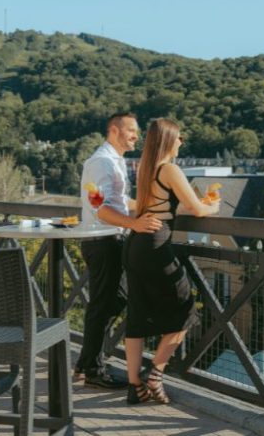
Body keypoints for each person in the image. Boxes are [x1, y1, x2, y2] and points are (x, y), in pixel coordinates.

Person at [123, 118, 220, 404]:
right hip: (156, 243)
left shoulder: (144, 168)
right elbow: (197, 209)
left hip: (135, 243)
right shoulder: (170, 169)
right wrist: (214, 204)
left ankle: (134, 386)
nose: (181, 142)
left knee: (137, 315)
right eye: (178, 138)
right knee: (186, 310)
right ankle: (155, 375)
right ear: (168, 141)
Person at [75, 112, 162, 389]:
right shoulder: (102, 161)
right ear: (114, 130)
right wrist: (135, 223)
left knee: (112, 300)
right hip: (103, 241)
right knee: (103, 304)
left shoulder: (114, 161)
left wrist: (152, 206)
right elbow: (100, 208)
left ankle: (86, 361)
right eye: (132, 131)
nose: (136, 136)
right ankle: (93, 370)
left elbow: (119, 201)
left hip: (110, 240)